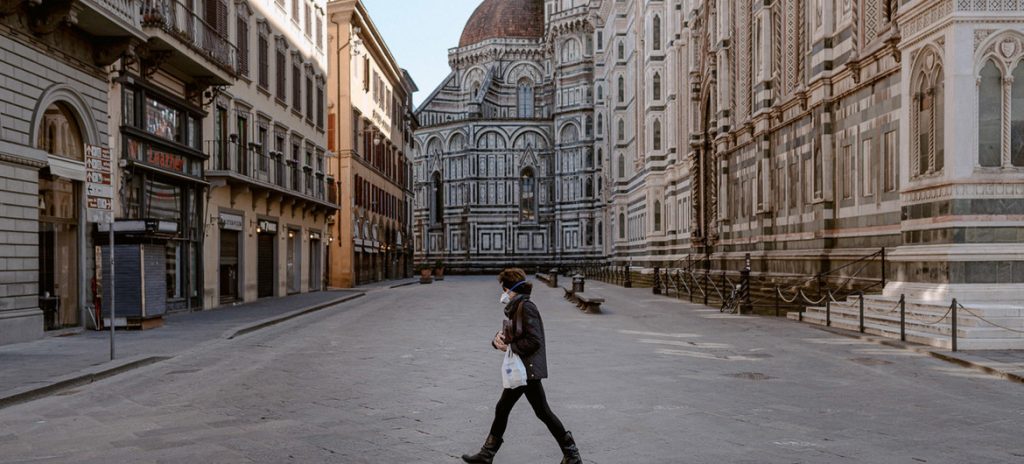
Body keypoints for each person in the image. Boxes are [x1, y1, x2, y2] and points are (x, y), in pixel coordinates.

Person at [462, 268, 582, 464]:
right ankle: (571, 454)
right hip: (525, 368)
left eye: (505, 289)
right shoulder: (517, 306)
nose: (503, 294)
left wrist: (511, 346)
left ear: (511, 290)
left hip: (527, 369)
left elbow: (535, 340)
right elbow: (515, 334)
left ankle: (487, 454)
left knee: (516, 409)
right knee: (536, 411)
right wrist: (497, 340)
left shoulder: (526, 307)